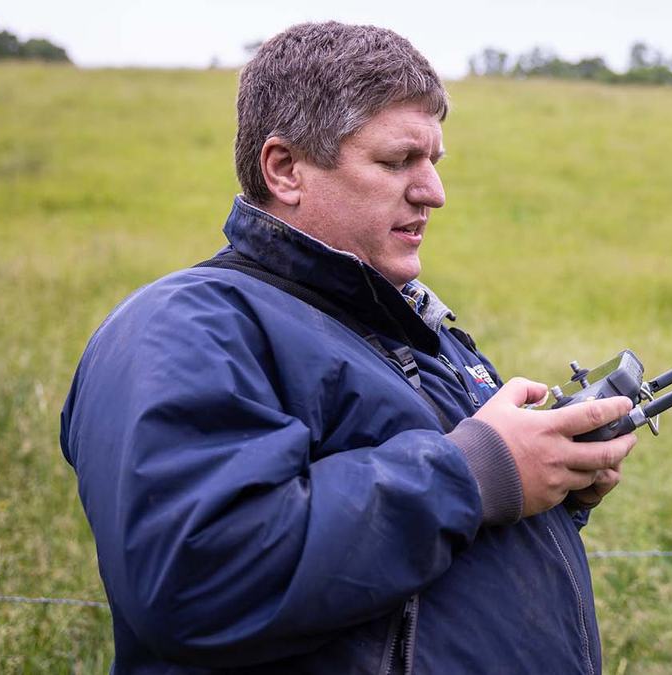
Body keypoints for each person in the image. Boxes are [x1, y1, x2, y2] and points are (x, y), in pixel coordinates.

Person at [60, 21, 637, 674]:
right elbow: (197, 576)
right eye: (396, 162)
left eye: (433, 164)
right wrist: (478, 470)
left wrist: (551, 480)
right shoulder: (187, 326)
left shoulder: (419, 328)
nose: (433, 193)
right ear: (285, 169)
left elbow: (434, 549)